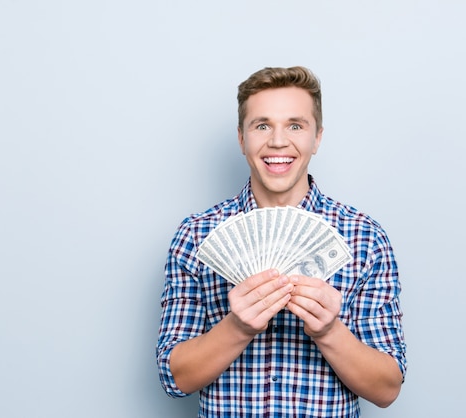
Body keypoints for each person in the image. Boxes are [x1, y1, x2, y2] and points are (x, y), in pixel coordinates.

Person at [156, 66, 406, 417]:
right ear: (242, 139)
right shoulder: (196, 236)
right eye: (262, 126)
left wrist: (330, 331)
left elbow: (387, 389)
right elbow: (174, 378)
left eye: (295, 125)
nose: (277, 141)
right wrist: (238, 327)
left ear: (317, 138)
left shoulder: (365, 238)